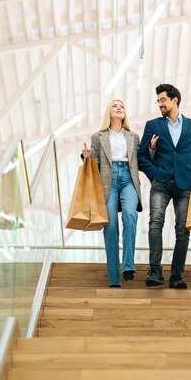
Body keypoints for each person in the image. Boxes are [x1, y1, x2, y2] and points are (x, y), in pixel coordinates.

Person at [138, 84, 191, 289]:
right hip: (161, 183)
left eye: (162, 100)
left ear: (175, 100)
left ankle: (176, 275)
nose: (159, 104)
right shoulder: (153, 125)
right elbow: (142, 157)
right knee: (155, 222)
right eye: (158, 101)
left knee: (183, 230)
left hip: (186, 184)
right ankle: (155, 272)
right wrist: (155, 175)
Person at [82, 99, 142, 288]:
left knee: (130, 215)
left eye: (122, 106)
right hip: (107, 181)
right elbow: (95, 163)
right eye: (115, 106)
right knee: (110, 225)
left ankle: (128, 266)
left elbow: (143, 159)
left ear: (125, 113)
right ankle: (114, 278)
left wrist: (153, 149)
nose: (119, 108)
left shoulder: (133, 137)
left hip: (128, 178)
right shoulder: (98, 137)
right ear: (109, 112)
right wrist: (86, 157)